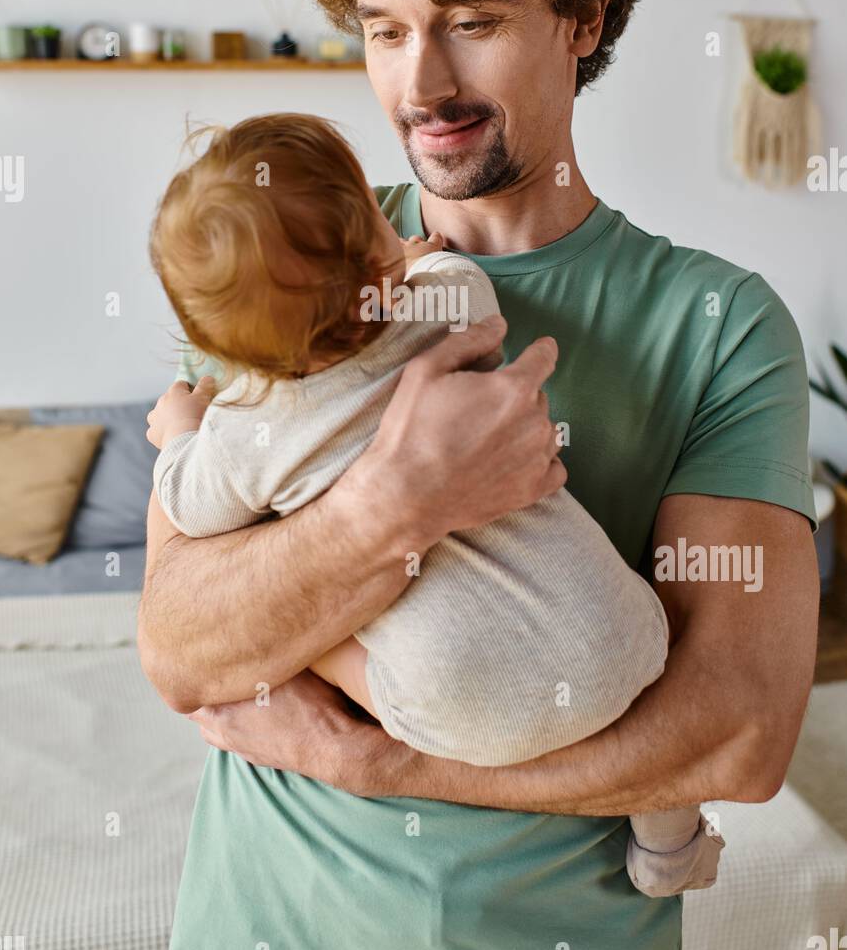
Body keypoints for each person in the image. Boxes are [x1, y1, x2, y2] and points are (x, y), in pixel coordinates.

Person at [138, 0, 819, 950]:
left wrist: (379, 757)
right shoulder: (285, 265)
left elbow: (737, 738)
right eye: (386, 29)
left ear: (583, 17)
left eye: (473, 17)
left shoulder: (717, 327)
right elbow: (182, 648)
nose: (422, 83)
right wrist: (394, 505)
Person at [144, 110, 726, 900]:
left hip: (458, 711)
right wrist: (411, 271)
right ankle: (669, 847)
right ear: (380, 269)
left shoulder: (245, 431)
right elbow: (466, 289)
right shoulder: (437, 313)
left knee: (298, 592)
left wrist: (181, 429)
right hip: (622, 639)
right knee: (635, 716)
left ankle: (332, 699)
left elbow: (189, 505)